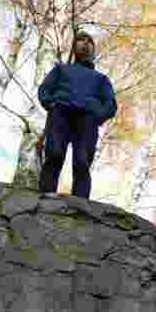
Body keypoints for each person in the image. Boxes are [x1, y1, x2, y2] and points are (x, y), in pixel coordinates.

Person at [36, 30, 117, 199]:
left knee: (82, 162)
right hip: (61, 114)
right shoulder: (61, 69)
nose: (85, 43)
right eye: (81, 40)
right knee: (54, 155)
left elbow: (111, 104)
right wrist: (51, 104)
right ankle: (44, 200)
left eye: (89, 41)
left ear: (93, 50)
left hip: (87, 119)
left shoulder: (101, 79)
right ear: (74, 47)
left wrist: (97, 116)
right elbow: (45, 89)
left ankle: (80, 208)